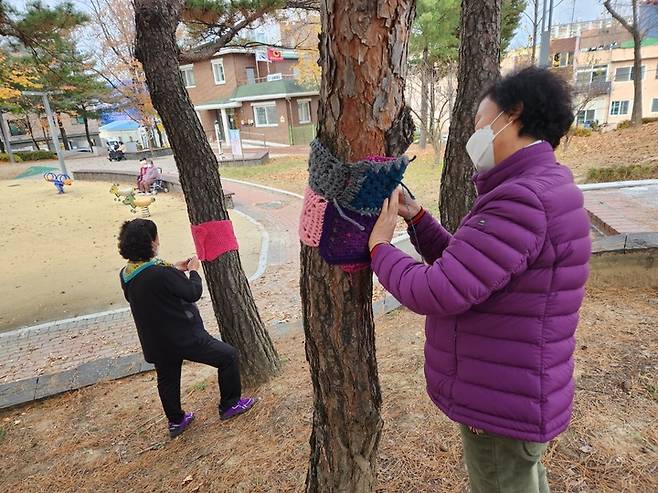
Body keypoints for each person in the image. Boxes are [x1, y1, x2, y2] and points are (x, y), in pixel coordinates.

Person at [368, 67, 590, 492]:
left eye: (478, 124)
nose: (476, 136)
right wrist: (418, 219)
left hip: (502, 398)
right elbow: (476, 270)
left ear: (513, 115)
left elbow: (439, 289)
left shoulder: (521, 197)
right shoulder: (545, 186)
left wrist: (381, 248)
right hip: (516, 390)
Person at [118, 219, 256, 438]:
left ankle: (176, 421)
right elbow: (192, 292)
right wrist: (192, 271)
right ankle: (230, 405)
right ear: (152, 242)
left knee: (167, 379)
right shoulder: (161, 274)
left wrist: (174, 267)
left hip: (156, 341)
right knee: (227, 356)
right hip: (183, 337)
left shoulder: (127, 274)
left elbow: (151, 279)